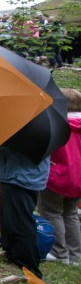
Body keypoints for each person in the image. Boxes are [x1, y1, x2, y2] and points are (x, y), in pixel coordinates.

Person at [0, 145, 51, 279]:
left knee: (22, 221)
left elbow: (14, 146)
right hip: (14, 172)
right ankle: (11, 252)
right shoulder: (27, 133)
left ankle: (28, 267)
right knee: (10, 217)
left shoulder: (33, 135)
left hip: (24, 176)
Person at [37, 88, 81, 265]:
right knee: (71, 213)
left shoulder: (57, 124)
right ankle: (75, 255)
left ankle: (58, 251)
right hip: (78, 178)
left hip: (58, 175)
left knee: (51, 211)